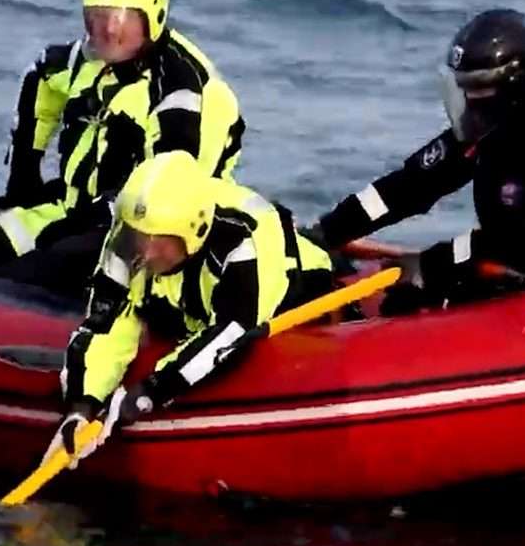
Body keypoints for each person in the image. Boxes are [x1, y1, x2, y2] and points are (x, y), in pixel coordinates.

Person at [0, 0, 245, 295]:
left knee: (13, 283)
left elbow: (168, 189)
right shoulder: (87, 60)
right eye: (96, 20)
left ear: (153, 17)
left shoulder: (180, 88)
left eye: (120, 20)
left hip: (135, 236)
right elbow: (41, 78)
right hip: (69, 209)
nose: (107, 32)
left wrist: (90, 219)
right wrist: (24, 176)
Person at [306, 8, 525, 316]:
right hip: (508, 254)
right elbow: (410, 186)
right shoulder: (489, 127)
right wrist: (328, 231)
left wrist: (429, 265)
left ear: (511, 86)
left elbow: (520, 241)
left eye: (477, 90)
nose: (468, 105)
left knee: (410, 302)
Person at [50, 151, 338, 461]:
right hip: (186, 302)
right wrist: (82, 407)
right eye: (139, 239)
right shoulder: (129, 238)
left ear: (193, 232)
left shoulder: (242, 246)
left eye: (158, 242)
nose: (145, 255)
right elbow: (104, 323)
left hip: (291, 291)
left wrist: (149, 391)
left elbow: (232, 333)